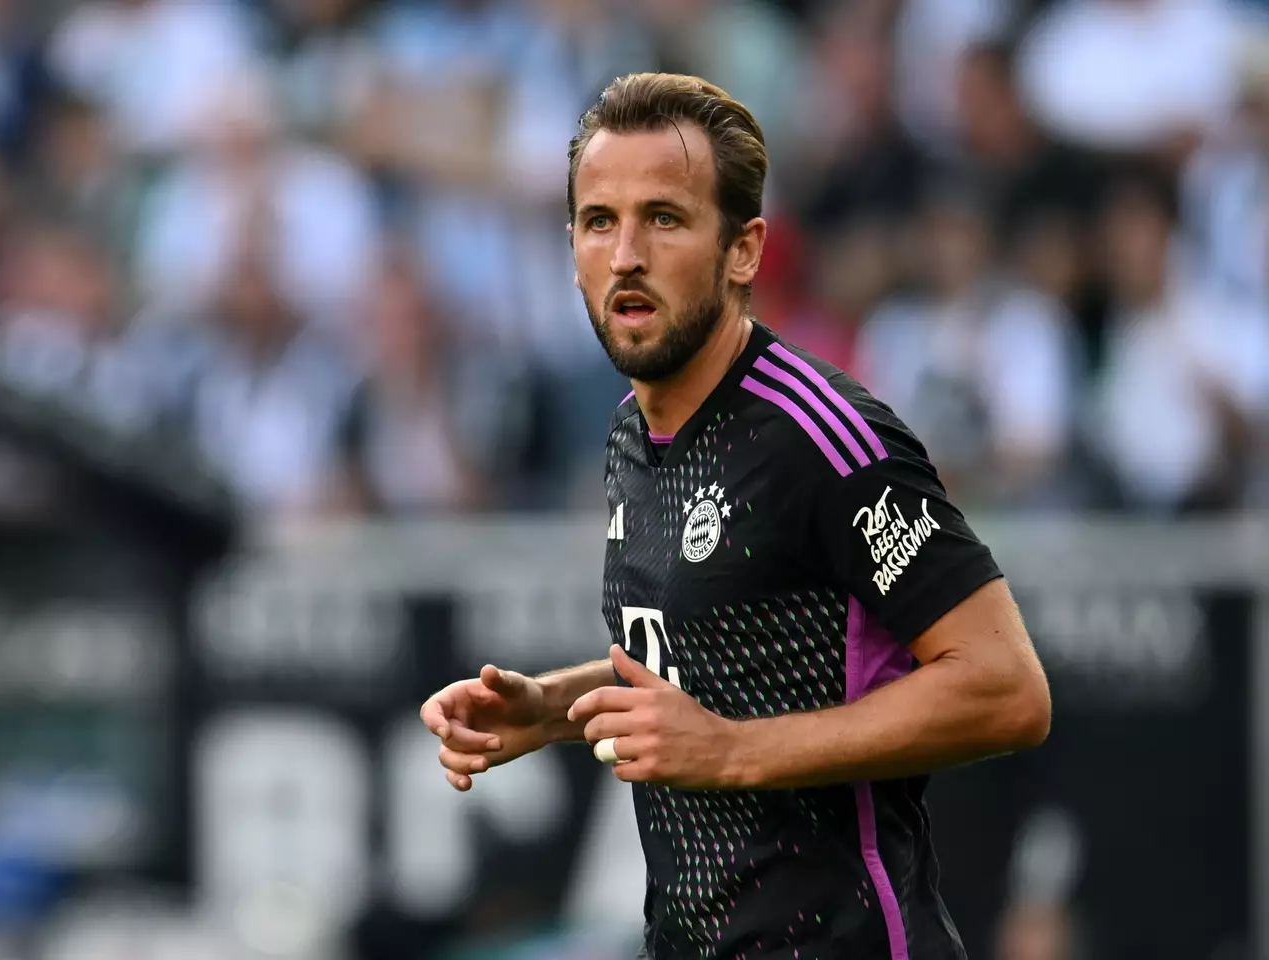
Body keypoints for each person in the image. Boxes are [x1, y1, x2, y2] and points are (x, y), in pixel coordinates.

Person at [420, 73, 1052, 960]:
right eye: (600, 221)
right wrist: (557, 708)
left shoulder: (823, 440)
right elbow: (723, 647)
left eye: (665, 218)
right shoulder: (630, 434)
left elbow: (1006, 687)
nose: (626, 253)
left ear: (744, 249)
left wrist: (731, 753)